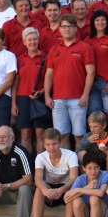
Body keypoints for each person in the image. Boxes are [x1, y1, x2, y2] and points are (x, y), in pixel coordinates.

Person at [44, 14, 95, 147]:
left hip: (78, 99)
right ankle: (66, 167)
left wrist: (85, 94)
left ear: (75, 29)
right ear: (59, 29)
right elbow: (49, 74)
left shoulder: (84, 47)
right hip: (57, 99)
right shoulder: (54, 50)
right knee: (62, 135)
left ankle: (80, 165)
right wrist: (47, 96)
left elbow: (91, 72)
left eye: (70, 26)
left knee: (79, 135)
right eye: (64, 26)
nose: (67, 29)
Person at [28, 128, 80, 217]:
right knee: (39, 191)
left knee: (70, 193)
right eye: (48, 144)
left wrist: (61, 190)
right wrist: (45, 191)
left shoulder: (71, 155)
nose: (51, 147)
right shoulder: (40, 157)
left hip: (66, 188)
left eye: (54, 144)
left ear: (60, 142)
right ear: (44, 144)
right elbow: (38, 179)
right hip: (51, 189)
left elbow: (74, 179)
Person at [11, 27, 49, 154]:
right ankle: (27, 166)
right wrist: (13, 103)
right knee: (25, 134)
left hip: (40, 98)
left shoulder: (45, 57)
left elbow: (51, 80)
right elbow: (15, 83)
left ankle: (39, 165)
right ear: (24, 42)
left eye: (35, 39)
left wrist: (42, 92)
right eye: (29, 40)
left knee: (40, 134)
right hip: (23, 99)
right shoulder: (19, 59)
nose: (32, 42)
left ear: (38, 40)